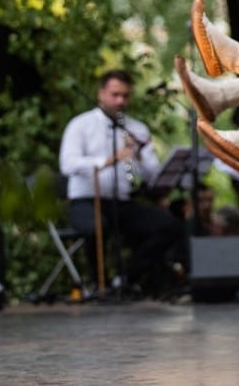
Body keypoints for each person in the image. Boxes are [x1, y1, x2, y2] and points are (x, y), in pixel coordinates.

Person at [59, 69, 185, 297]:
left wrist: (141, 153)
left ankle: (126, 278)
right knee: (96, 226)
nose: (120, 101)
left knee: (169, 226)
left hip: (121, 201)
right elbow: (67, 164)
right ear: (101, 94)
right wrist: (106, 161)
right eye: (115, 95)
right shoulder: (80, 125)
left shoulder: (136, 129)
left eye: (125, 96)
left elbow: (151, 176)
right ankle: (99, 284)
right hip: (87, 199)